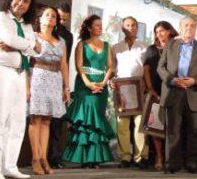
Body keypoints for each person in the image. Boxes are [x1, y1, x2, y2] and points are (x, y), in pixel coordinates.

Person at [0, 0, 40, 179]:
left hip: (20, 73)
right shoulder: (0, 17)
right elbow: (9, 39)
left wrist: (23, 45)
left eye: (26, 1)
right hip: (2, 71)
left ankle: (10, 165)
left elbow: (37, 50)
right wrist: (28, 45)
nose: (21, 3)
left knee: (17, 121)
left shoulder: (26, 25)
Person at [158, 17, 197, 173]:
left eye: (192, 26)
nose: (189, 28)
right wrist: (172, 80)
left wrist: (194, 81)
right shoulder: (170, 45)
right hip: (173, 92)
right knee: (173, 131)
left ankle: (193, 162)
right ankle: (172, 163)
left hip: (193, 92)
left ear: (195, 29)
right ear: (180, 28)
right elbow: (160, 68)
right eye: (186, 25)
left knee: (194, 131)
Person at [63, 15, 115, 167]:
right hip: (85, 86)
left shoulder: (107, 45)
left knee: (97, 120)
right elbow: (79, 66)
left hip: (101, 86)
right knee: (86, 121)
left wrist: (103, 83)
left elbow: (110, 66)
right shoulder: (82, 44)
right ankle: (84, 158)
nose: (100, 27)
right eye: (97, 25)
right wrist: (89, 84)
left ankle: (95, 159)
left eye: (101, 25)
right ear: (89, 28)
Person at [29, 6, 70, 175]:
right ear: (40, 18)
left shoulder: (61, 41)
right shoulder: (33, 37)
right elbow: (27, 60)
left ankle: (44, 157)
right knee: (35, 118)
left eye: (53, 16)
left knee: (47, 120)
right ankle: (35, 158)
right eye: (47, 15)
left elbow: (64, 64)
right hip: (38, 76)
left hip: (54, 78)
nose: (51, 18)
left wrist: (66, 86)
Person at [111, 16, 148, 168]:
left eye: (134, 25)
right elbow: (112, 68)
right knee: (122, 123)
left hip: (139, 87)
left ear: (137, 28)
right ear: (122, 28)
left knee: (140, 123)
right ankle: (125, 156)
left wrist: (146, 82)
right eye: (128, 25)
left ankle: (141, 157)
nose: (131, 28)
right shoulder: (115, 48)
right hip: (122, 88)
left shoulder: (144, 47)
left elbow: (147, 68)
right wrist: (111, 81)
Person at [143, 21, 178, 170]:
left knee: (173, 125)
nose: (160, 34)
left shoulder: (177, 46)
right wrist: (150, 88)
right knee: (156, 125)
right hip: (156, 90)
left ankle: (173, 157)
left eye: (162, 31)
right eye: (157, 32)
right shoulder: (152, 49)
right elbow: (146, 69)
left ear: (169, 31)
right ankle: (159, 156)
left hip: (173, 90)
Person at [48, 2, 73, 168]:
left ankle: (54, 157)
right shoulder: (43, 31)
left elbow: (66, 62)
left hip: (58, 78)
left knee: (57, 120)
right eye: (59, 18)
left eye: (65, 19)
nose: (61, 22)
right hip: (42, 77)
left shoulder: (68, 36)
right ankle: (39, 156)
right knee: (41, 119)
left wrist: (66, 85)